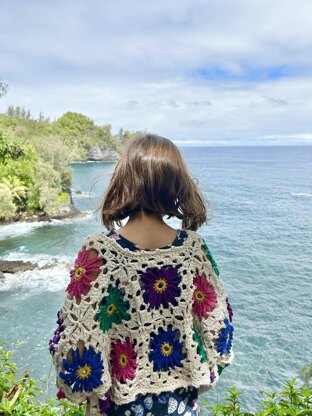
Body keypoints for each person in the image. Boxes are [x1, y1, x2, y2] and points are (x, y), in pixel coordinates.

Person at [49, 134, 234, 416]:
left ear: (124, 180)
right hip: (180, 406)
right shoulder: (193, 250)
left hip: (118, 406)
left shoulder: (99, 251)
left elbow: (75, 339)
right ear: (175, 185)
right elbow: (219, 328)